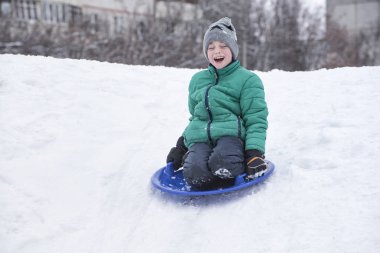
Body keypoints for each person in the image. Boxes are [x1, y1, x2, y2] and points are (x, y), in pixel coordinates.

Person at [166, 17, 268, 190]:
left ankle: (231, 166)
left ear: (233, 49)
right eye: (211, 47)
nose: (217, 51)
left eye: (223, 46)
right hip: (200, 140)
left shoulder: (248, 80)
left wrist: (254, 153)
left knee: (224, 163)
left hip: (231, 137)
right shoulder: (197, 80)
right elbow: (196, 118)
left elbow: (256, 119)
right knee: (194, 172)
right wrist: (181, 146)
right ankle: (203, 171)